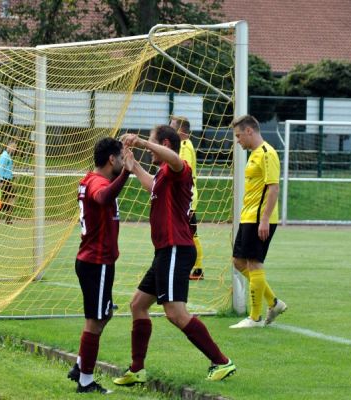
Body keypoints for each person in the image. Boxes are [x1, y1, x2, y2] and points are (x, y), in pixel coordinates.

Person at [112, 125, 236, 386]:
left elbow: (175, 159)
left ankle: (222, 362)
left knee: (176, 313)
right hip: (165, 251)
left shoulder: (180, 168)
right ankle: (137, 369)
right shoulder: (163, 175)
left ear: (165, 144)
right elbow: (152, 186)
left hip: (176, 249)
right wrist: (134, 167)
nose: (149, 151)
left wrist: (142, 142)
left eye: (154, 144)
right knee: (138, 305)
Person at [66, 137, 132, 394]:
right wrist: (127, 172)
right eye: (121, 157)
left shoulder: (93, 178)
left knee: (104, 314)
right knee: (95, 320)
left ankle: (80, 365)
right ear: (112, 160)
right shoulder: (97, 182)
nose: (123, 161)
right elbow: (103, 197)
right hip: (97, 261)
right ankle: (85, 381)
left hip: (95, 260)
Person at [230, 115, 287, 329]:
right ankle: (274, 302)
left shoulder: (267, 154)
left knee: (254, 264)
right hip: (249, 217)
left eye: (238, 136)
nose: (238, 141)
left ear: (249, 131)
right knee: (238, 262)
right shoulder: (254, 154)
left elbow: (273, 188)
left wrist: (264, 219)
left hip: (259, 219)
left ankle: (254, 318)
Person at [170, 116, 204, 280]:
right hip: (187, 196)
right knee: (190, 232)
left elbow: (184, 171)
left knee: (191, 233)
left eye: (172, 126)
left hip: (188, 196)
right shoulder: (185, 145)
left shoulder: (185, 146)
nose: (170, 129)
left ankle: (197, 269)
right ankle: (196, 268)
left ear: (180, 130)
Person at [0, 140, 17, 224]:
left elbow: (6, 169)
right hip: (4, 180)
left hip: (7, 180)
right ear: (8, 146)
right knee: (9, 199)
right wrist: (0, 181)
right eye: (13, 147)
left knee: (9, 199)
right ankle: (3, 218)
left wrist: (12, 175)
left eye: (15, 147)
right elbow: (0, 168)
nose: (14, 149)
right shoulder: (4, 156)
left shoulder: (7, 156)